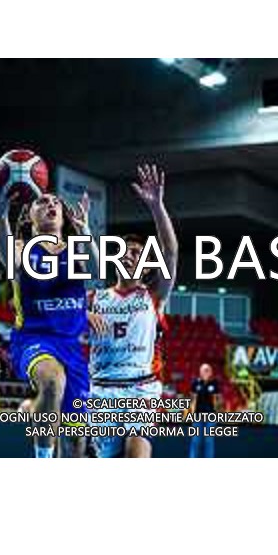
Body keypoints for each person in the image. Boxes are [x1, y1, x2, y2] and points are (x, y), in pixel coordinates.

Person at [0, 167, 99, 458]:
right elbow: (6, 255)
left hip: (72, 346)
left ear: (64, 216)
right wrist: (0, 216)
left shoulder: (75, 249)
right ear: (29, 216)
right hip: (34, 338)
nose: (51, 204)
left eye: (55, 203)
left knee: (75, 442)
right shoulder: (22, 247)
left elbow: (96, 271)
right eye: (42, 202)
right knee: (52, 381)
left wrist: (85, 231)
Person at [88, 164, 178, 458]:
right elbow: (57, 312)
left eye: (136, 253)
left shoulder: (154, 295)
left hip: (142, 387)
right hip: (102, 388)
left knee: (136, 455)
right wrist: (82, 314)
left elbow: (171, 252)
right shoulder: (95, 297)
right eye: (124, 251)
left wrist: (156, 207)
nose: (128, 255)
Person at [189, 363, 221, 458]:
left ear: (211, 372)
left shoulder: (214, 383)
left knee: (209, 440)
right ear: (200, 372)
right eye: (204, 370)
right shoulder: (195, 383)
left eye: (208, 370)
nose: (206, 372)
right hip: (197, 416)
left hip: (210, 416)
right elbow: (193, 400)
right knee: (195, 440)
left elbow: (217, 400)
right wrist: (191, 414)